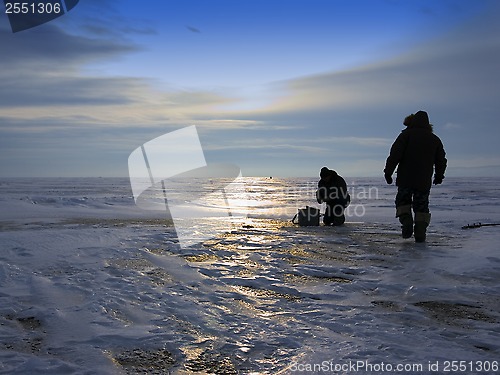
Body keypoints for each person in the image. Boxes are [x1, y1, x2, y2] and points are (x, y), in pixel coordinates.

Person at [384, 110, 447, 242]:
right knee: (422, 206)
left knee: (403, 202)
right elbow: (441, 160)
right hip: (423, 181)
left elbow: (395, 155)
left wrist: (388, 172)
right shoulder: (434, 139)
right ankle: (420, 232)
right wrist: (439, 175)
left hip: (405, 179)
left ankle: (406, 222)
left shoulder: (406, 135)